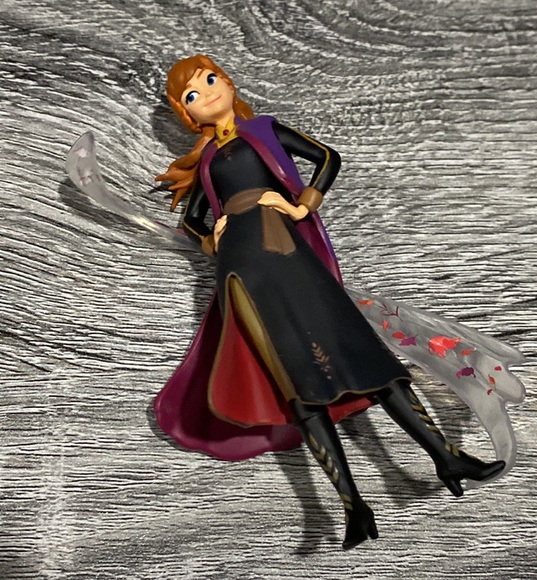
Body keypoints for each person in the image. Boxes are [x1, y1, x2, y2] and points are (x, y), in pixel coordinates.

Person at [154, 54, 505, 549]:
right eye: (192, 94)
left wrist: (302, 203)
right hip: (242, 271)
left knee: (360, 350)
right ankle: (352, 504)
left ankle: (446, 457)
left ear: (228, 82)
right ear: (187, 114)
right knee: (295, 378)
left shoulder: (264, 130)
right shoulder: (208, 160)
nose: (207, 93)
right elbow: (192, 220)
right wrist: (213, 235)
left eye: (210, 79)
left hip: (286, 250)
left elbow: (327, 158)